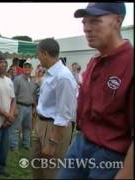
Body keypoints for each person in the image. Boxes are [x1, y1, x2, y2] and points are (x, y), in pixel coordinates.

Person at [58, 3, 134, 179]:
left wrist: (126, 174)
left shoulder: (130, 63)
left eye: (95, 21)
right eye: (84, 22)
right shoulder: (94, 61)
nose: (86, 29)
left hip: (111, 154)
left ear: (117, 20)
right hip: (81, 144)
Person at [30, 38, 77, 179]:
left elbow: (64, 113)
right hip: (42, 124)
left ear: (44, 53)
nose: (37, 58)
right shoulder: (49, 73)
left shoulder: (63, 76)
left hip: (54, 127)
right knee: (36, 166)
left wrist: (53, 142)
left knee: (51, 171)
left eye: (38, 54)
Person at [9, 62, 37, 152]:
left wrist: (34, 107)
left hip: (29, 107)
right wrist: (15, 108)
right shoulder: (18, 79)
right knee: (16, 127)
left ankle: (26, 144)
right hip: (20, 106)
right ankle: (14, 146)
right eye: (25, 67)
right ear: (23, 69)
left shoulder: (33, 81)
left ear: (32, 69)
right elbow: (13, 95)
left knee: (28, 127)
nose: (27, 69)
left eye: (29, 67)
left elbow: (34, 95)